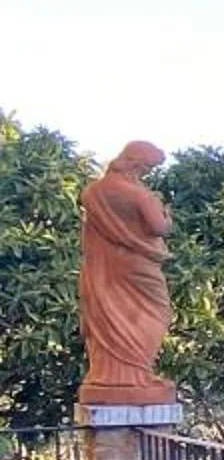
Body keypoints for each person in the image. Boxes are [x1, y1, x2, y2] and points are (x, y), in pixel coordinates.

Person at [78, 141, 173, 404]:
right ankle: (135, 375)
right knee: (155, 313)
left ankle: (110, 374)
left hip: (103, 266)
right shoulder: (140, 195)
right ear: (137, 164)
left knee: (108, 313)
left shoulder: (92, 192)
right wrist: (167, 216)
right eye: (147, 168)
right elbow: (158, 228)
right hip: (138, 265)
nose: (146, 173)